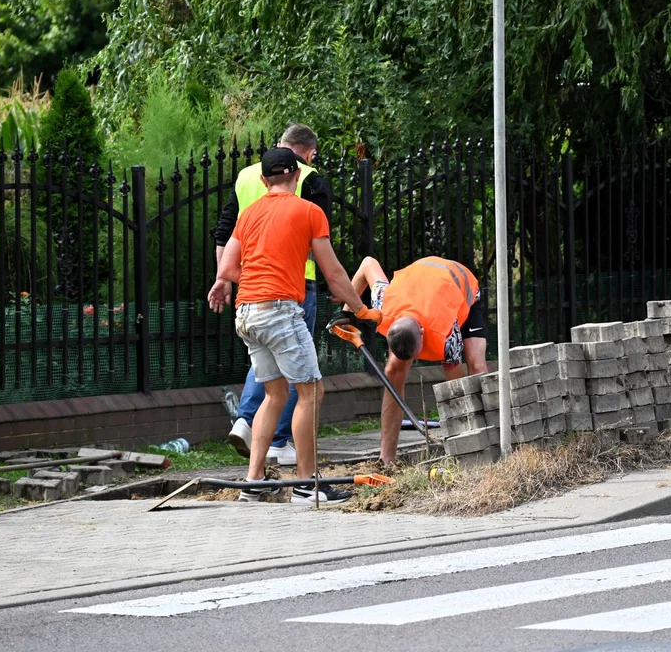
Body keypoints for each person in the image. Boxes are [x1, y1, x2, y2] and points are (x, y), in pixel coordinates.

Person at [209, 148, 381, 505]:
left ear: (263, 179)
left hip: (247, 314)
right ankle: (306, 485)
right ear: (298, 176)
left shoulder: (249, 213)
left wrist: (257, 279)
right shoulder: (309, 211)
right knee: (312, 392)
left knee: (274, 394)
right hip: (280, 312)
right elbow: (333, 273)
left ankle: (253, 482)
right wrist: (360, 308)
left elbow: (226, 270)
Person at [213, 124, 331, 466]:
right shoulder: (309, 181)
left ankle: (252, 459)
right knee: (307, 385)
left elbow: (225, 230)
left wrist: (224, 279)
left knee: (272, 383)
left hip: (249, 296)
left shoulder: (246, 176)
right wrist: (351, 299)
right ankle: (291, 460)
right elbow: (324, 251)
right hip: (292, 288)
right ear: (306, 155)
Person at [347, 255, 488, 465]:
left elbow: (455, 391)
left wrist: (461, 443)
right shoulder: (383, 303)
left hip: (461, 285)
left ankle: (485, 442)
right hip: (420, 283)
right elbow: (367, 263)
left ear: (422, 333)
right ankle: (386, 460)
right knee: (393, 372)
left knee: (475, 365)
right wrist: (346, 314)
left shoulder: (447, 335)